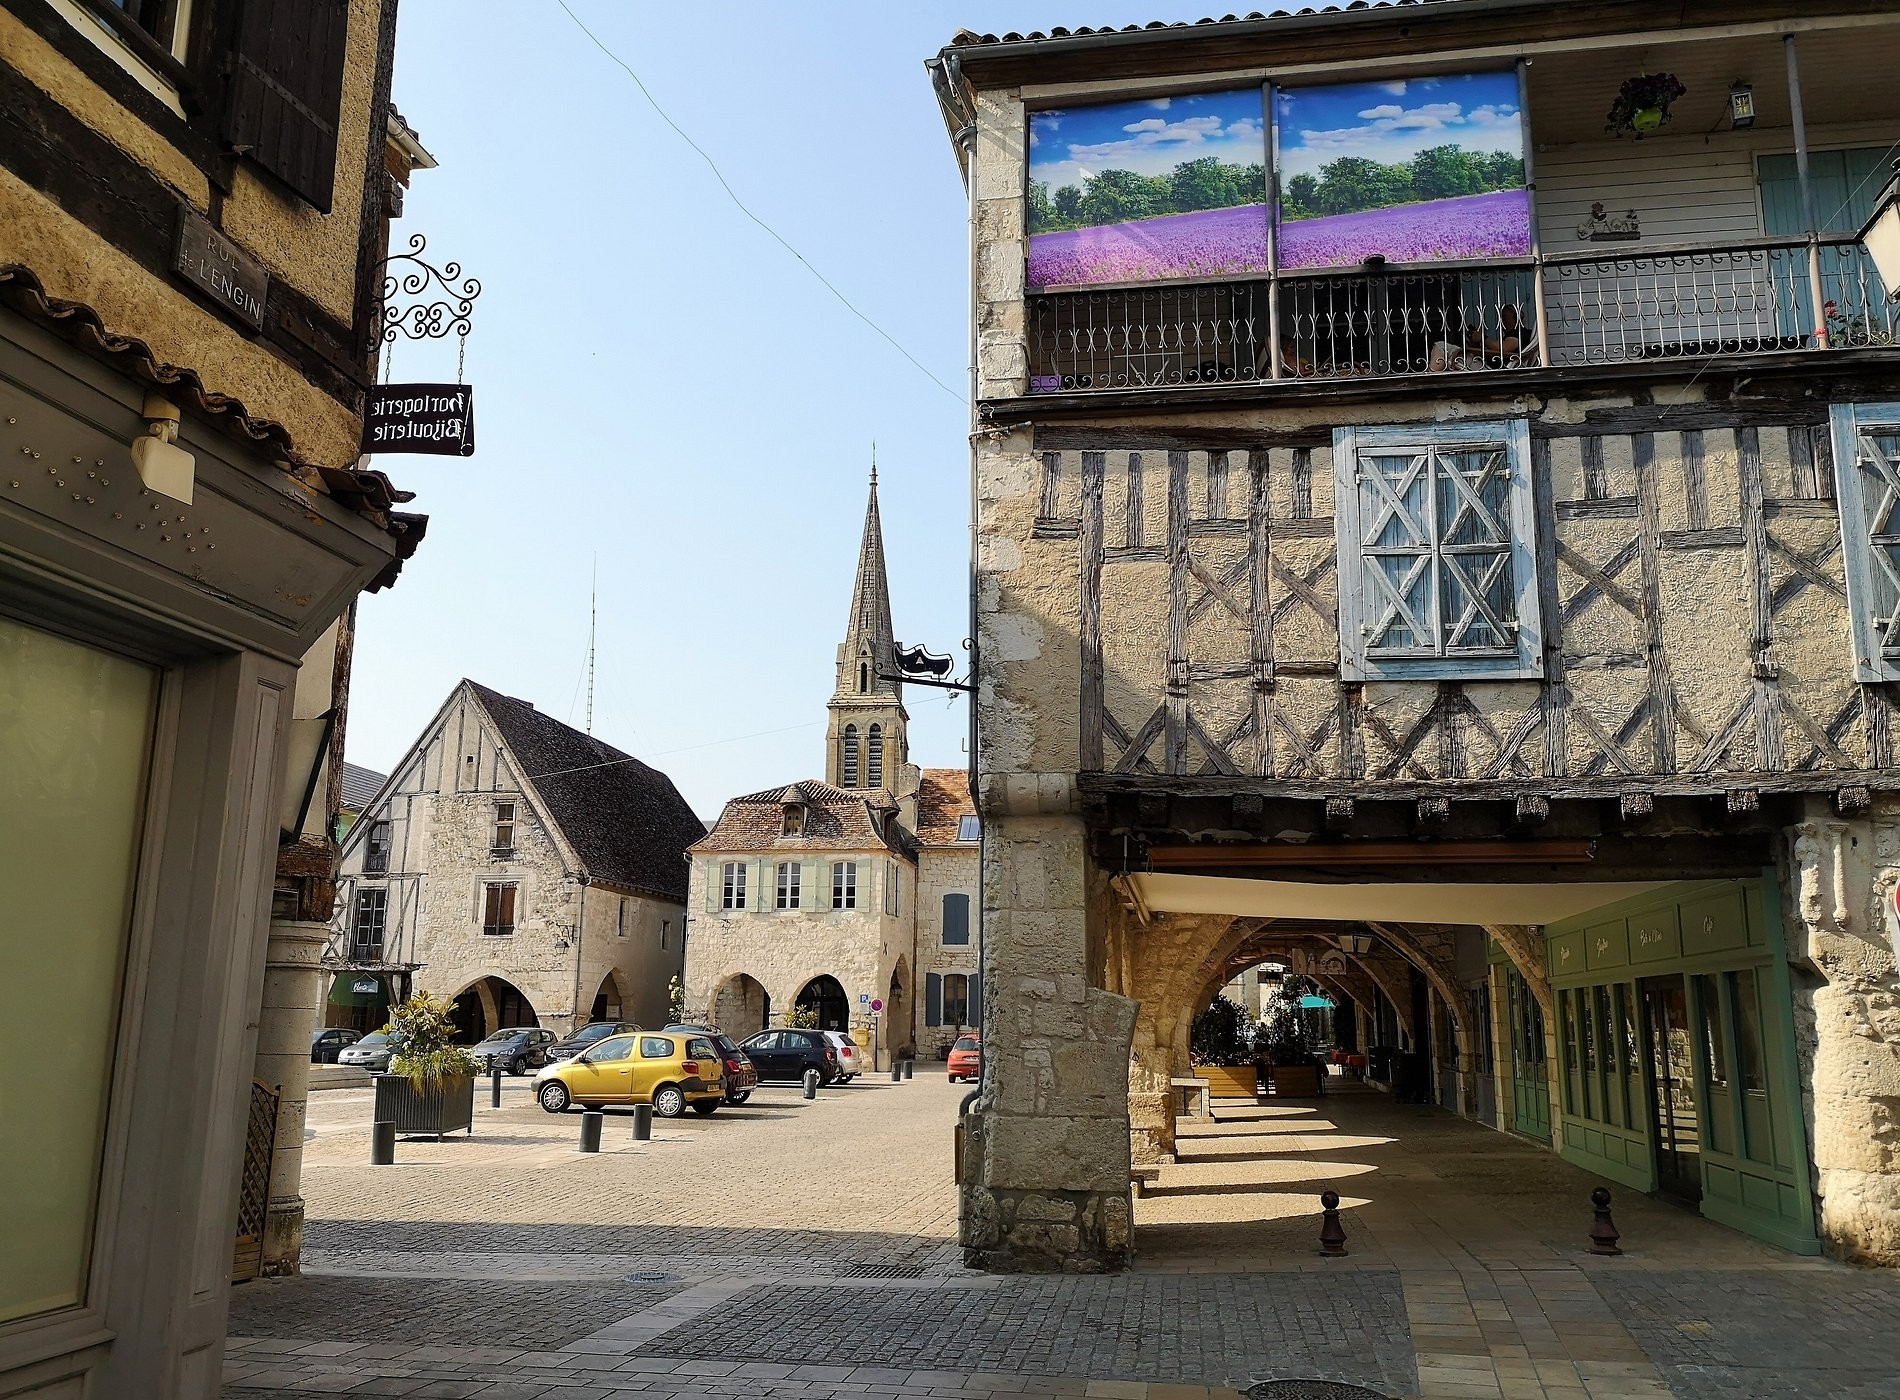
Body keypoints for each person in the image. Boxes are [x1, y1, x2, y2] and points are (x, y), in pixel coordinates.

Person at [1430, 302, 1531, 372]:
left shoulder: (1520, 333)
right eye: (1501, 318)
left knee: (1441, 347)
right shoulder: (1512, 334)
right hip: (1484, 364)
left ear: (1516, 318)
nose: (1502, 322)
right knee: (1447, 352)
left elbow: (1503, 348)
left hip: (1491, 370)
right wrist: (1475, 341)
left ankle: (1431, 383)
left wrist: (1483, 337)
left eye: (1504, 318)